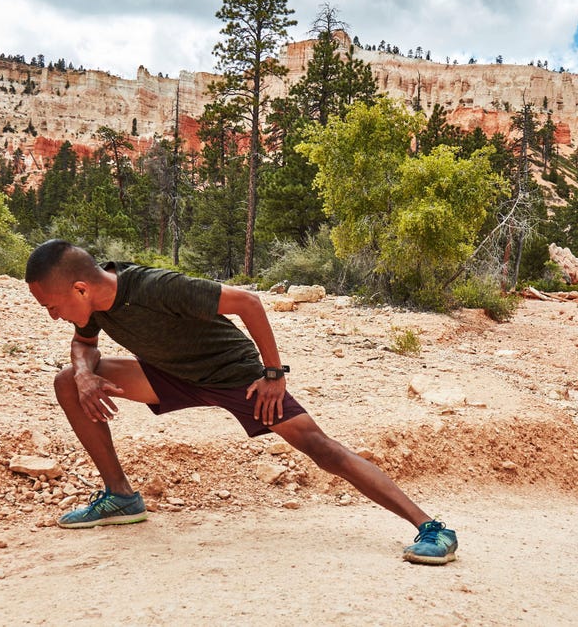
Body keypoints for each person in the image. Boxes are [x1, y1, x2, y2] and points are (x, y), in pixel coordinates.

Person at [24, 239, 457, 565]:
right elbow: (84, 347)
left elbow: (247, 302)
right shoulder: (93, 307)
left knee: (320, 448)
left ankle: (432, 529)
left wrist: (272, 374)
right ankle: (120, 497)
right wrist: (84, 374)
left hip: (236, 377)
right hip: (170, 376)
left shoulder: (157, 288)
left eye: (53, 305)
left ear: (80, 288)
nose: (52, 315)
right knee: (67, 381)